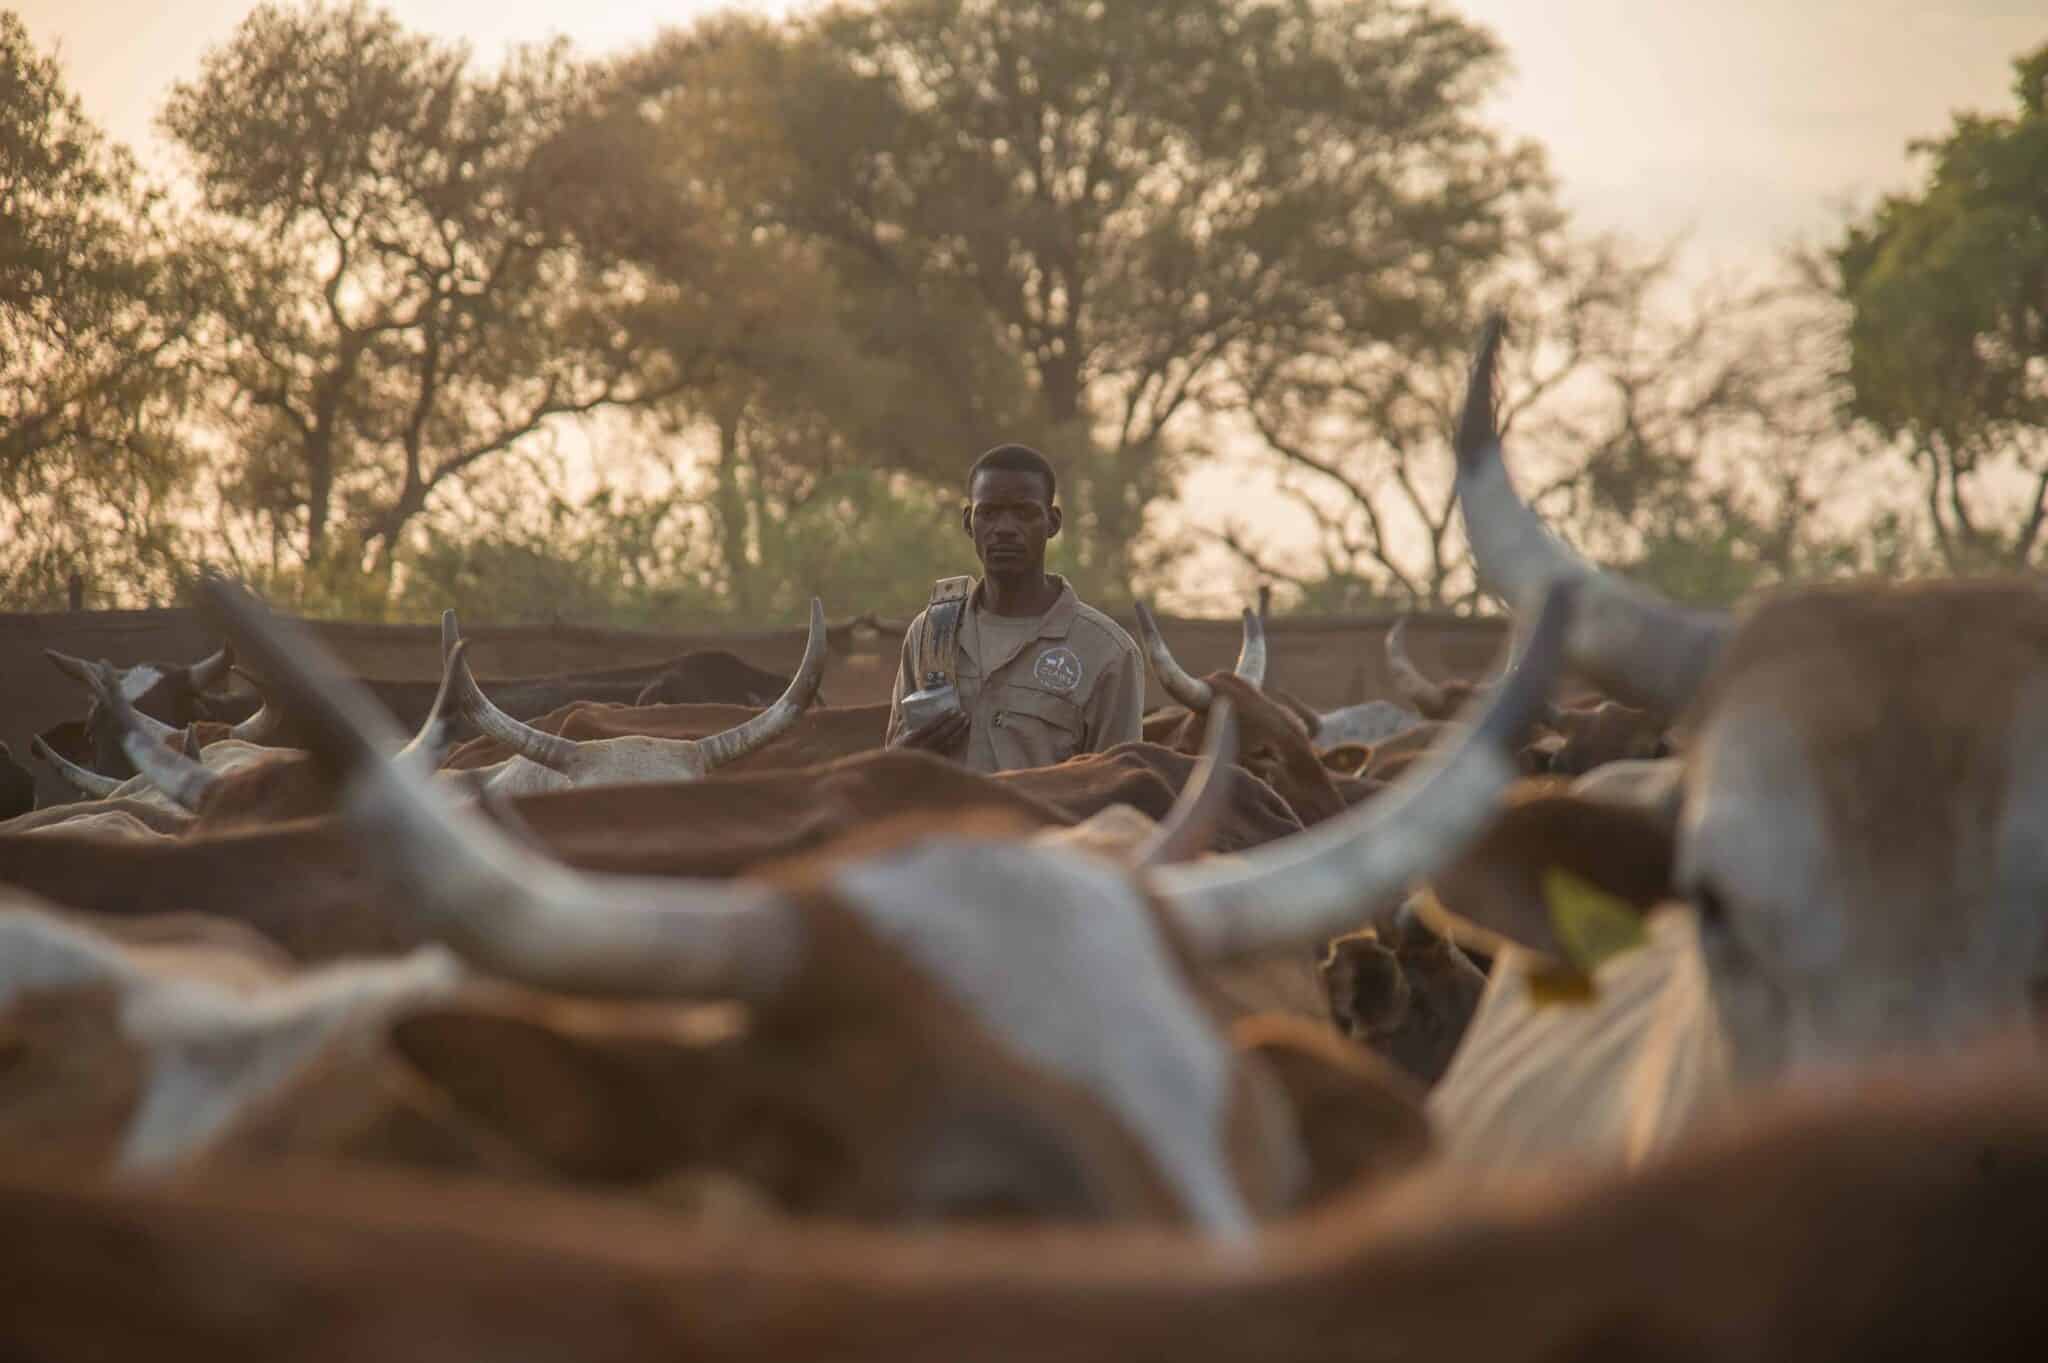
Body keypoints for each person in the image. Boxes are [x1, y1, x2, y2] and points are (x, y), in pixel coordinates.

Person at [885, 444, 1145, 773]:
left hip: (1053, 826)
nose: (1005, 528)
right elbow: (890, 771)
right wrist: (904, 754)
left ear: (1052, 522)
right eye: (989, 513)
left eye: (1024, 513)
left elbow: (1118, 788)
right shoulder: (931, 635)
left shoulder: (1108, 653)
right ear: (969, 522)